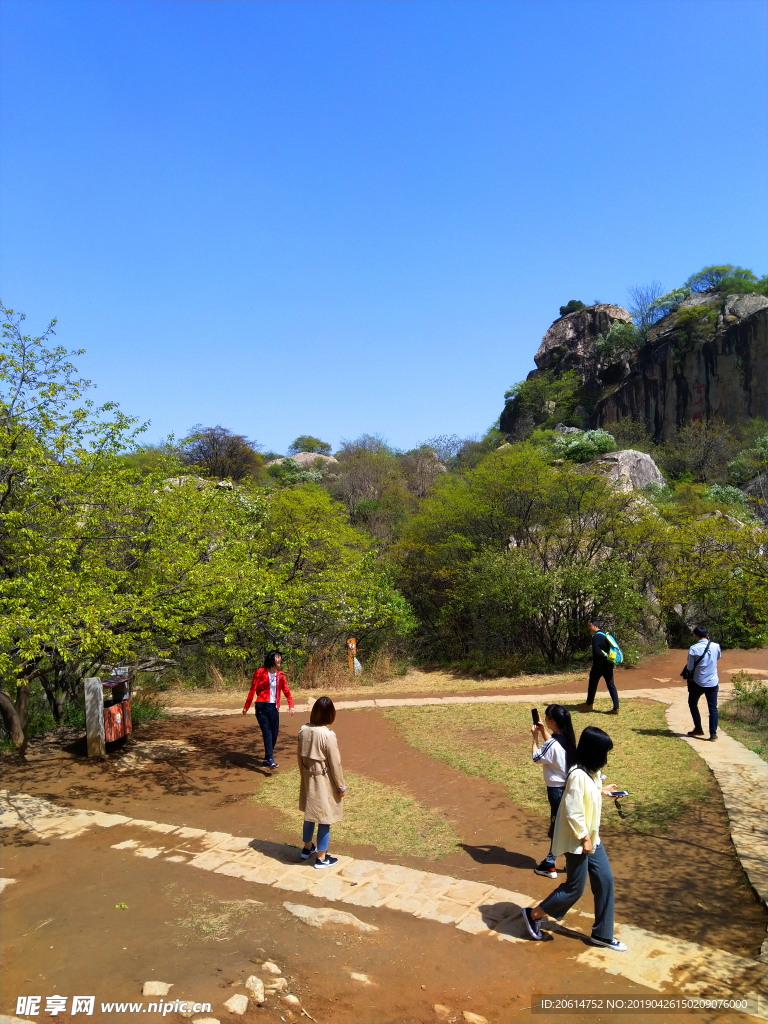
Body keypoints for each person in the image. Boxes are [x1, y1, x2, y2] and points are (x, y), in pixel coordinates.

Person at [522, 725, 627, 952]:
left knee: (605, 880)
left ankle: (602, 934)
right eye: (604, 753)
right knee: (574, 888)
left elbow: (590, 788)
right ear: (593, 752)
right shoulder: (577, 775)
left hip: (592, 838)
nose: (606, 758)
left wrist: (603, 790)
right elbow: (573, 810)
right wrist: (584, 838)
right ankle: (533, 914)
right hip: (579, 841)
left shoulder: (591, 771)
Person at [298, 696, 347, 869]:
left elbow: (299, 757)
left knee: (310, 815)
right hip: (323, 780)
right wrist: (341, 785)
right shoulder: (328, 735)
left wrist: (303, 777)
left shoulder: (303, 730)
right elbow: (335, 764)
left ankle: (306, 848)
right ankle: (321, 858)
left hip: (307, 777)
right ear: (330, 714)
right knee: (325, 818)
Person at [531, 704, 578, 879]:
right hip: (568, 788)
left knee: (558, 827)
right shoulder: (568, 740)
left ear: (551, 721)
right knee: (564, 825)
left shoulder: (552, 743)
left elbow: (537, 757)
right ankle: (571, 862)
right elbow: (554, 748)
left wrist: (535, 738)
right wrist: (544, 733)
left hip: (556, 791)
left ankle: (549, 864)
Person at [242, 650, 295, 768]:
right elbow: (252, 689)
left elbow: (286, 691)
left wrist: (291, 705)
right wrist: (246, 706)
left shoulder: (280, 675)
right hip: (262, 706)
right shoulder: (260, 672)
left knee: (274, 733)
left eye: (280, 657)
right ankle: (270, 758)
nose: (279, 659)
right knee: (267, 731)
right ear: (271, 658)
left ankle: (267, 759)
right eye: (277, 657)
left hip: (274, 707)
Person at [686, 625, 722, 742]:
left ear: (696, 636)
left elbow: (690, 667)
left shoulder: (693, 648)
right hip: (713, 681)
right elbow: (718, 657)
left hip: (698, 682)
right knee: (713, 708)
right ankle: (713, 734)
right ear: (707, 635)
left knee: (692, 703)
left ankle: (698, 728)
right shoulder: (716, 646)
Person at [581, 620, 620, 714]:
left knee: (592, 684)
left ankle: (589, 704)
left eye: (590, 626)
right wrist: (607, 656)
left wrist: (603, 656)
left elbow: (596, 651)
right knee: (611, 685)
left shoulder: (597, 636)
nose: (589, 628)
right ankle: (616, 708)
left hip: (599, 665)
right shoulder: (605, 635)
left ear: (595, 626)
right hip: (609, 663)